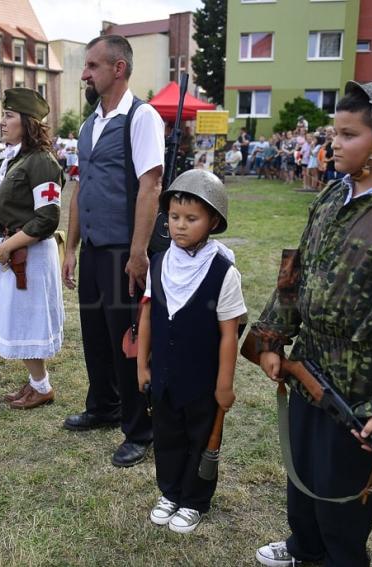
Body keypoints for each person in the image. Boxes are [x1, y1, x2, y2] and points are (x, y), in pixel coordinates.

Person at [250, 79, 372, 567]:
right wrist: (272, 339)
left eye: (347, 134)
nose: (332, 144)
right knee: (303, 477)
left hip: (363, 387)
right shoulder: (331, 195)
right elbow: (295, 273)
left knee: (344, 501)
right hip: (310, 369)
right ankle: (304, 548)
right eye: (332, 133)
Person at [61, 35, 165, 467]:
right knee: (95, 334)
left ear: (118, 68)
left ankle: (140, 429)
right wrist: (71, 247)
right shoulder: (89, 124)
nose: (84, 73)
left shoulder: (142, 118)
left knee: (129, 341)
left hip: (126, 248)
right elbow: (82, 187)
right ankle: (103, 404)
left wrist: (138, 252)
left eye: (91, 66)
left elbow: (151, 185)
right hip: (94, 249)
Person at [137, 169, 246, 534]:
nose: (180, 226)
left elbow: (229, 334)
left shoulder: (222, 271)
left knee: (201, 439)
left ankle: (195, 499)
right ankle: (170, 491)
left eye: (192, 218)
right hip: (165, 375)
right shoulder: (160, 262)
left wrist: (224, 385)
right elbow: (149, 313)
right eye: (174, 217)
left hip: (203, 380)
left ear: (213, 221)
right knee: (167, 436)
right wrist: (142, 365)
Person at [0, 88, 65, 410]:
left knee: (28, 320)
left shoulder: (42, 162)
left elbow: (47, 218)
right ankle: (36, 382)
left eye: (9, 116)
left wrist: (7, 246)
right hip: (12, 251)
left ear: (27, 122)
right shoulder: (13, 159)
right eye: (3, 115)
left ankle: (42, 387)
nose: (2, 122)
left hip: (28, 255)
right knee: (18, 319)